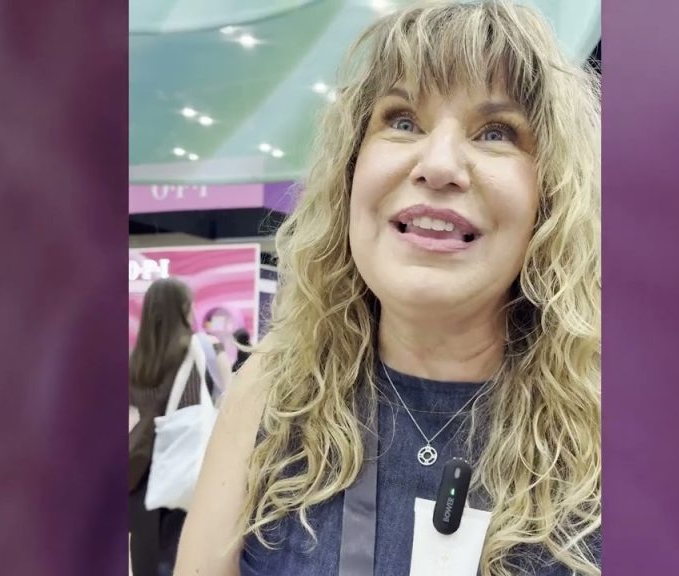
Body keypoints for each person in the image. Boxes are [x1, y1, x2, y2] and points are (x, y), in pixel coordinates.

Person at [176, 2, 601, 575]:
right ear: (351, 170)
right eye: (402, 122)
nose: (438, 164)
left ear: (551, 197)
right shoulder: (273, 390)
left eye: (495, 132)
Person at [128, 278, 208, 576]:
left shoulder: (136, 358)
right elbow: (194, 410)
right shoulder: (190, 351)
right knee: (177, 554)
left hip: (138, 467)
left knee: (145, 557)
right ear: (182, 309)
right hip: (178, 465)